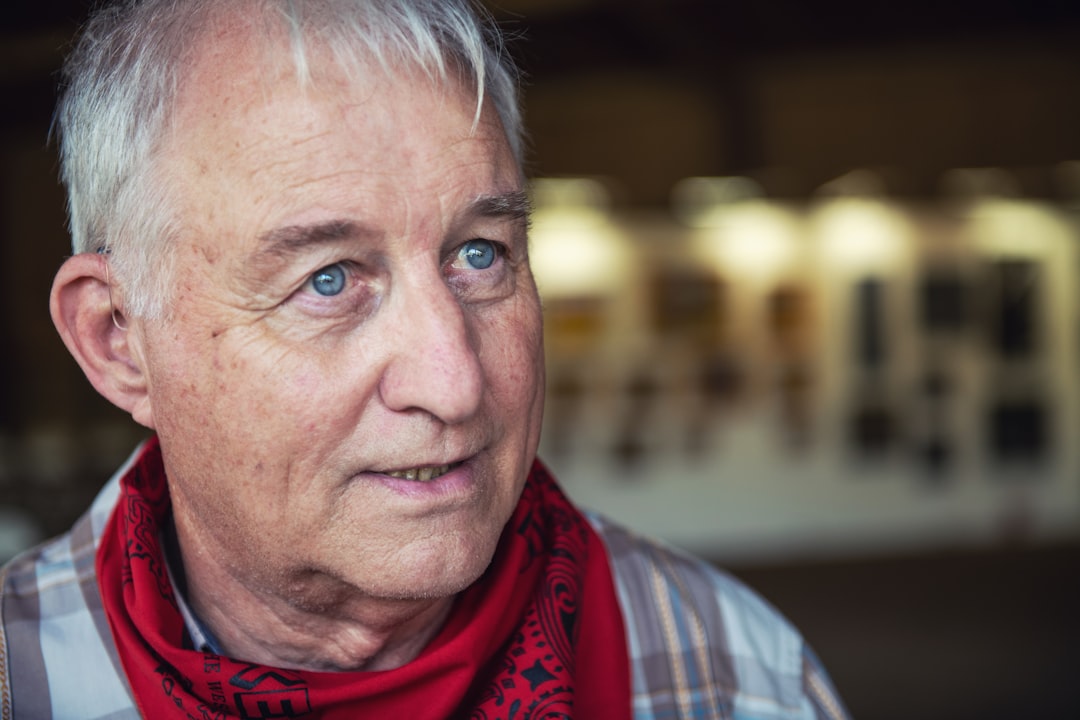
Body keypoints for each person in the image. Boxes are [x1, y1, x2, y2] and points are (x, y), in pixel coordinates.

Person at [0, 1, 850, 718]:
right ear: (119, 341)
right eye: (327, 279)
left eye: (480, 255)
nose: (456, 381)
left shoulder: (735, 675)